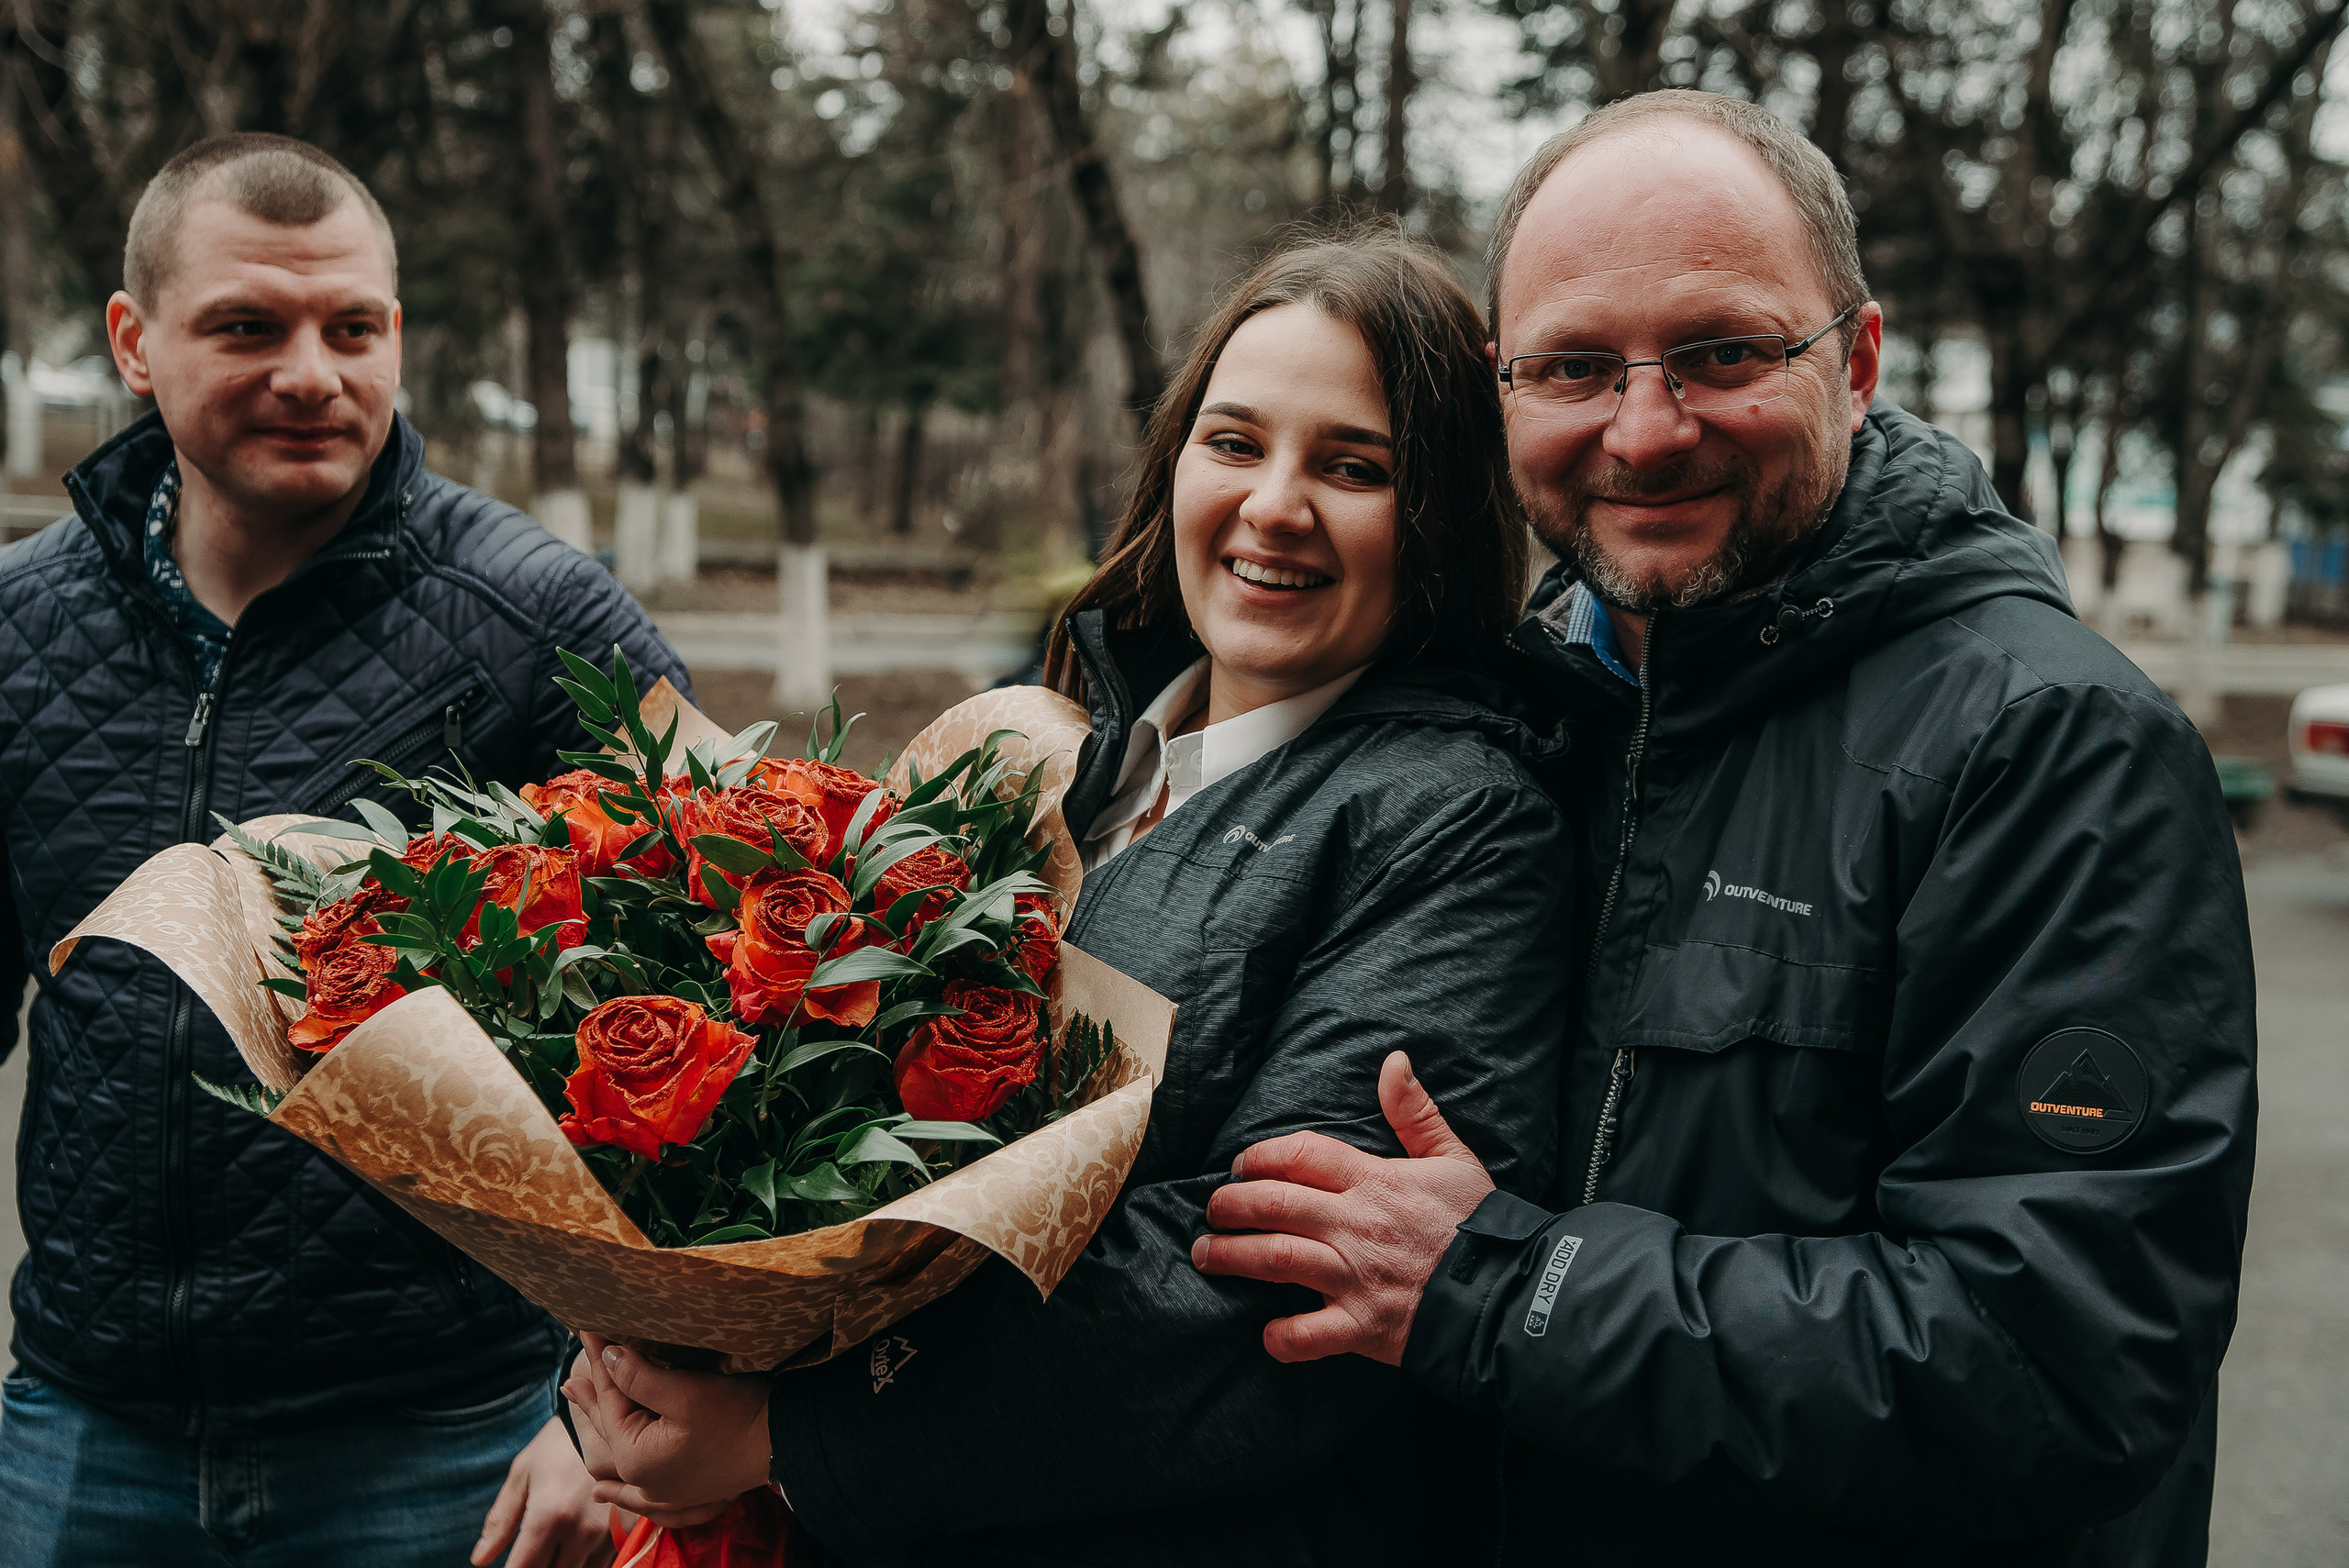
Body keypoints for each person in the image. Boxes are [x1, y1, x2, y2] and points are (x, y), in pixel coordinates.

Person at [1191, 90, 2258, 1568]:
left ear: (1859, 360)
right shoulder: (1516, 716)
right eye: (1574, 366)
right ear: (1504, 388)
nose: (1643, 429)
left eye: (1723, 353)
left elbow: (2060, 1361)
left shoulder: (2048, 748)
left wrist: (1504, 1287)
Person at [562, 231, 1574, 1563]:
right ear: (1173, 467)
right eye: (1235, 442)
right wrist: (642, 1354)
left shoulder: (1459, 820)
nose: (1275, 503)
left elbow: (1266, 1290)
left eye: (1355, 466)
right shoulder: (1056, 756)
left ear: (1439, 511)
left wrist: (790, 1435)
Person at [0, 133, 685, 1566]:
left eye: (353, 327)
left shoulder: (537, 620)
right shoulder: (20, 629)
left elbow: (734, 1024)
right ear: (135, 342)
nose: (313, 372)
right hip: (84, 1433)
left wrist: (604, 1400)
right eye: (248, 325)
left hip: (450, 1441)